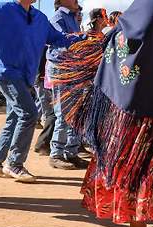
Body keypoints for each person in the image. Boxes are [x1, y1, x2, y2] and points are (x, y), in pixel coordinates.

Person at [55, 0, 153, 227]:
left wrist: (109, 36)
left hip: (141, 98)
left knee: (129, 164)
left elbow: (137, 33)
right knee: (137, 165)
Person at [0, 0, 81, 183]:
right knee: (29, 113)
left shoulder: (39, 18)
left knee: (15, 117)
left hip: (25, 76)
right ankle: (14, 164)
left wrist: (86, 38)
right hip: (5, 71)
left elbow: (59, 39)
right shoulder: (1, 9)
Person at [46, 0, 87, 170]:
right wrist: (83, 40)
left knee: (75, 112)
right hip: (63, 69)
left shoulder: (71, 18)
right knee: (63, 113)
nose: (77, 1)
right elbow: (60, 42)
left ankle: (71, 152)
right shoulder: (57, 18)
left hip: (73, 69)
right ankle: (56, 153)